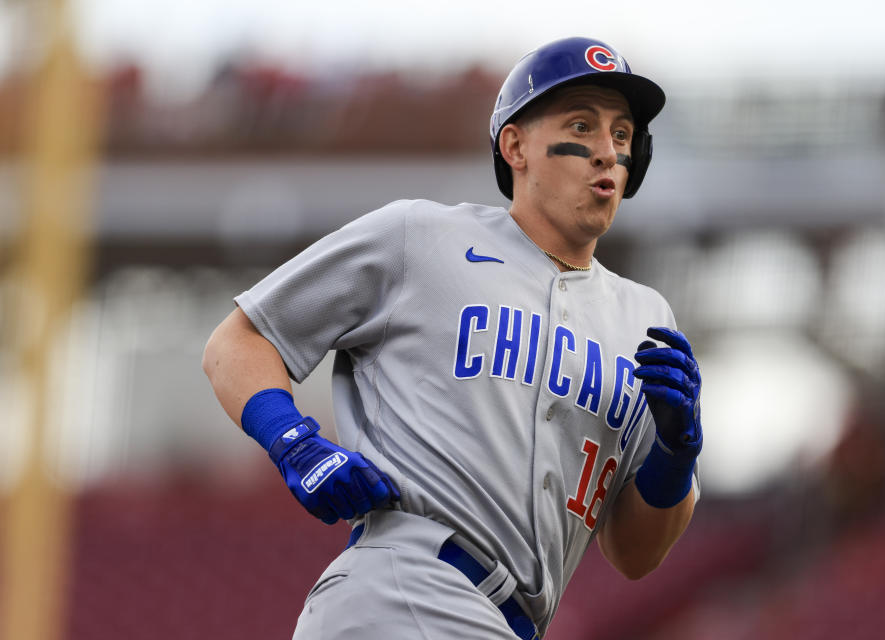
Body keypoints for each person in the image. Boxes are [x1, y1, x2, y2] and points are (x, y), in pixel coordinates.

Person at [202, 36, 703, 640]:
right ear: (514, 146)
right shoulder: (422, 238)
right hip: (404, 586)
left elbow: (634, 553)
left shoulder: (647, 320)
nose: (606, 152)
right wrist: (295, 444)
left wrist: (675, 456)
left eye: (621, 136)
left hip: (504, 622)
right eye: (581, 125)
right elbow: (239, 341)